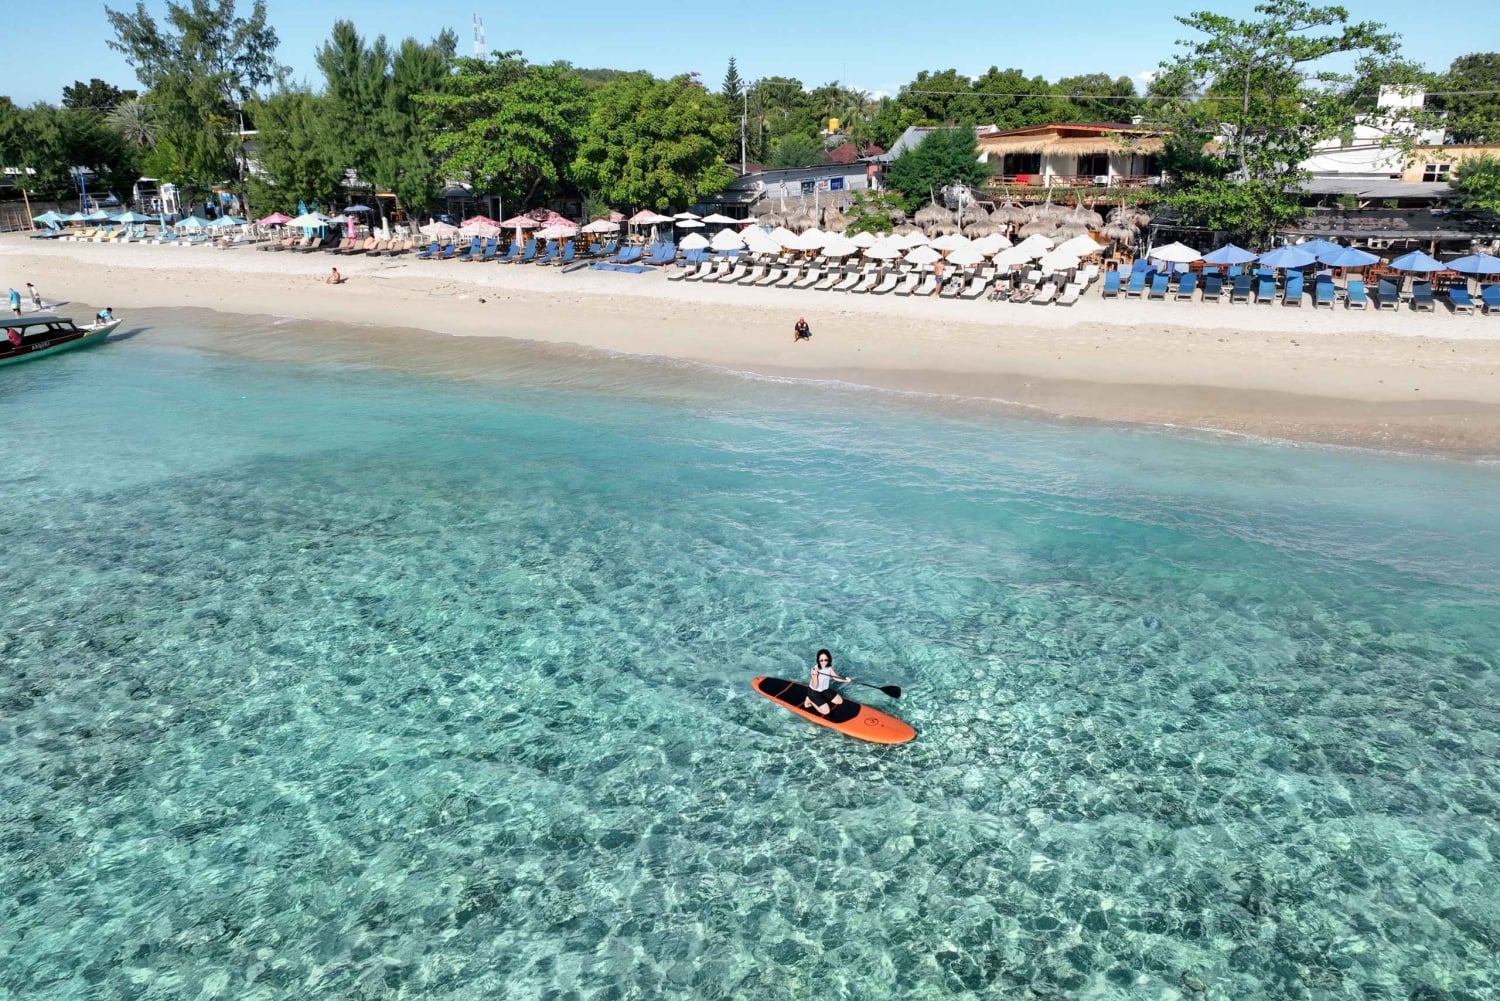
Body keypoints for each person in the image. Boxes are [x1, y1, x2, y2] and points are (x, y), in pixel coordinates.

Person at [802, 648, 851, 716]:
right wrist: (815, 675)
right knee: (826, 711)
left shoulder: (829, 667)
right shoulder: (814, 670)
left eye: (826, 660)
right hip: (814, 692)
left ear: (828, 659)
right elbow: (814, 686)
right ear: (818, 660)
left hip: (824, 690)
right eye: (821, 660)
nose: (823, 662)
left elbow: (835, 677)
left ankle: (821, 699)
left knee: (840, 701)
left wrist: (845, 680)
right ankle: (809, 700)